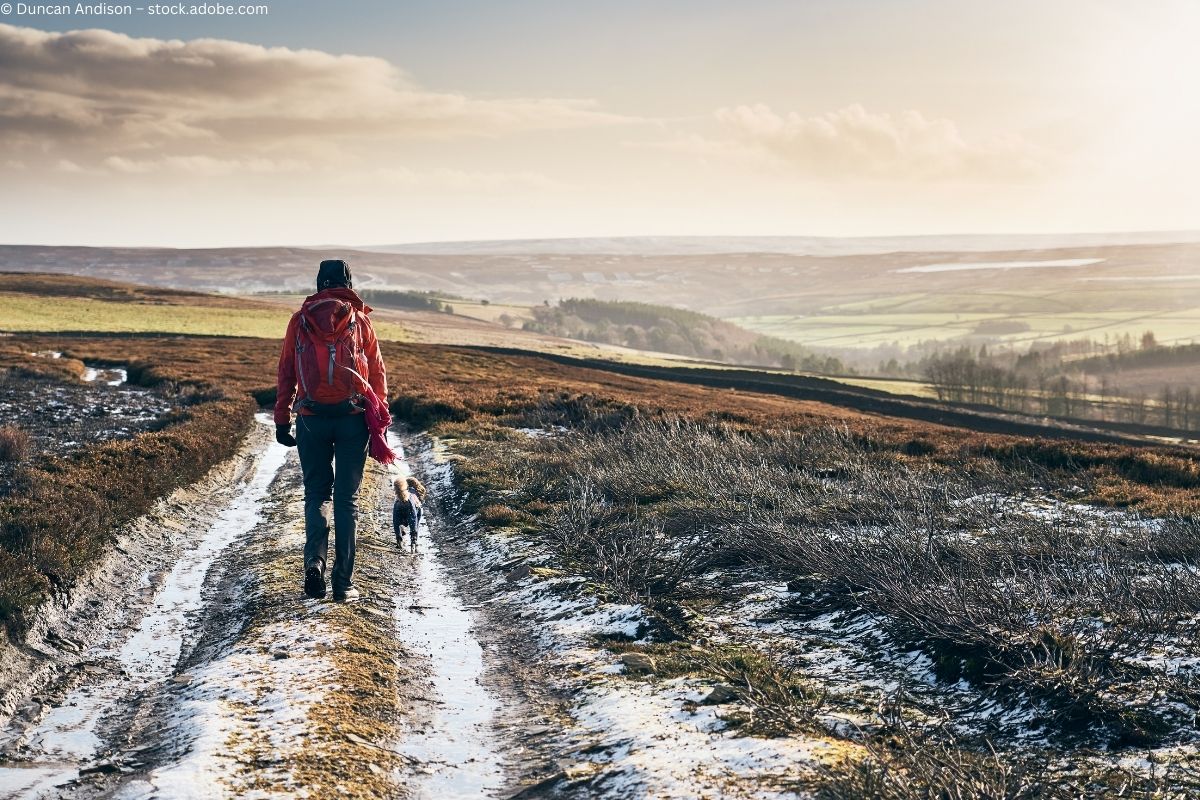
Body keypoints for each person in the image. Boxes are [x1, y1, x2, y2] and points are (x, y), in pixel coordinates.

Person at [274, 259, 389, 603]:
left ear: (319, 282)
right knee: (346, 500)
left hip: (310, 417)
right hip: (353, 417)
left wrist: (282, 418)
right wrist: (379, 422)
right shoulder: (360, 321)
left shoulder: (300, 320)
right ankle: (343, 584)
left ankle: (315, 564)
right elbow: (378, 376)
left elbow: (286, 371)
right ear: (348, 283)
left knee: (316, 494)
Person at [393, 476, 428, 553]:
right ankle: (414, 544)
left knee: (396, 521)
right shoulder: (415, 495)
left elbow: (395, 521)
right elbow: (415, 522)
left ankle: (399, 540)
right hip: (411, 506)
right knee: (414, 525)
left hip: (398, 506)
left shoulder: (398, 498)